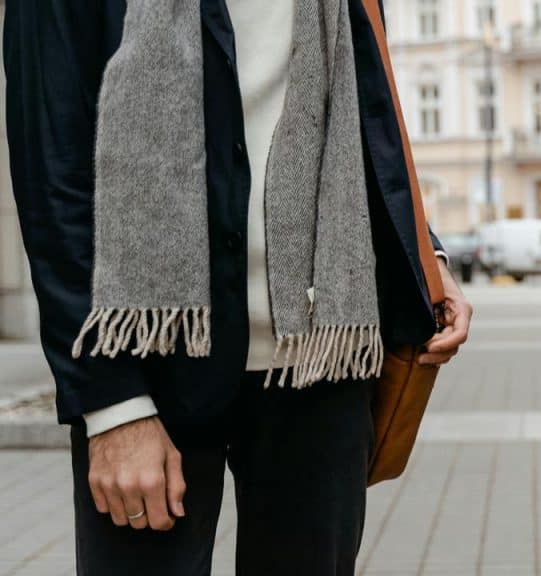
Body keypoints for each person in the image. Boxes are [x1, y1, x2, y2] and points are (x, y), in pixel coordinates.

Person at [4, 0, 473, 574]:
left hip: (320, 354)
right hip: (149, 359)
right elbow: (52, 165)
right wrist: (109, 405)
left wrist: (427, 254)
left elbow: (366, 108)